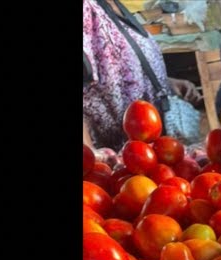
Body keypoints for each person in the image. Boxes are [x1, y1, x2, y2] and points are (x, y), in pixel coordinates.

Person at [82, 0, 202, 151]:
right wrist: (90, 158)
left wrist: (165, 82)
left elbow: (117, 64)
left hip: (148, 150)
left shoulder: (114, 5)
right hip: (118, 159)